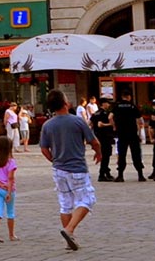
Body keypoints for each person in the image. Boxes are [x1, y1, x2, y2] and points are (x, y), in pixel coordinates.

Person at [39, 90, 101, 252]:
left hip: (59, 170)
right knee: (87, 199)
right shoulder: (77, 121)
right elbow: (93, 141)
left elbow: (44, 148)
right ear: (65, 103)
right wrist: (98, 152)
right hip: (77, 168)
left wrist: (54, 160)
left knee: (65, 204)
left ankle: (69, 240)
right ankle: (69, 230)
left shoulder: (48, 125)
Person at [0, 135, 17, 244]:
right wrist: (8, 191)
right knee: (10, 212)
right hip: (9, 189)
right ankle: (11, 235)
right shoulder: (11, 162)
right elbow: (10, 178)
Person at [109, 95, 144, 182]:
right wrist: (140, 132)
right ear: (129, 97)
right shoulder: (133, 106)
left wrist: (114, 126)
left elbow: (110, 117)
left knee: (122, 155)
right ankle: (140, 175)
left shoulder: (117, 106)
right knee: (136, 154)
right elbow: (140, 120)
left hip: (122, 134)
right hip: (132, 133)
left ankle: (120, 175)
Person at [87, 97, 115, 182]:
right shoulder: (106, 114)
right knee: (106, 156)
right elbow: (105, 124)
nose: (108, 105)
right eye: (107, 103)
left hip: (98, 137)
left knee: (104, 155)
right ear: (103, 104)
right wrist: (109, 124)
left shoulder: (95, 113)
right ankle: (102, 174)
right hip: (105, 137)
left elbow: (89, 124)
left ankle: (107, 172)